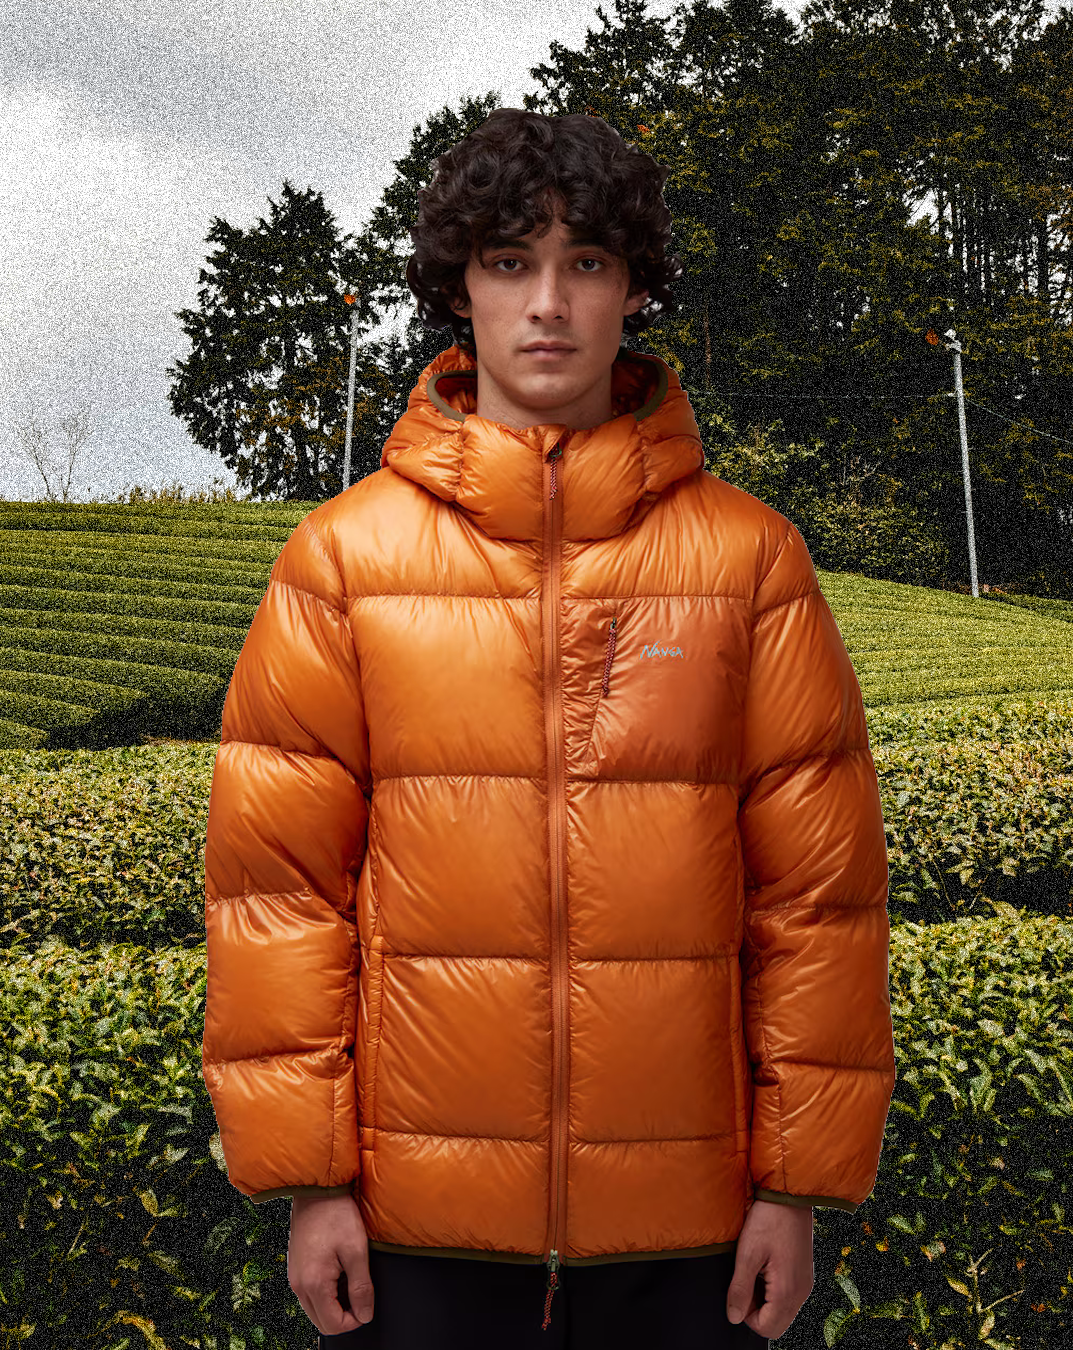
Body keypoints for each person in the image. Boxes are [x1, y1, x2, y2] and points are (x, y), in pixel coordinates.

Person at [202, 108, 896, 1350]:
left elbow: (816, 898)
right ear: (460, 284)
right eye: (512, 261)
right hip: (417, 1226)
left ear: (634, 289)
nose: (549, 305)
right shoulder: (342, 559)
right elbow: (280, 895)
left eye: (587, 264)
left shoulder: (751, 558)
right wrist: (310, 1179)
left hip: (692, 1226)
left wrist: (796, 1186)